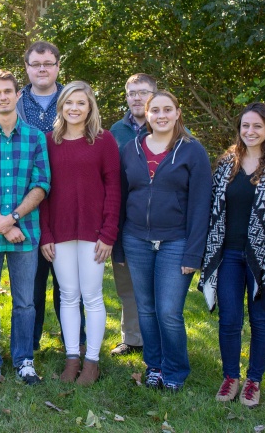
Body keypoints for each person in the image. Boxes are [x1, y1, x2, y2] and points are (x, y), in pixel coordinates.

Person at [200, 103, 265, 407]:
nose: (250, 131)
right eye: (245, 126)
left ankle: (253, 382)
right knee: (229, 319)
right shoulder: (226, 164)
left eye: (257, 126)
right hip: (228, 255)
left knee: (260, 320)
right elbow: (211, 211)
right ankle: (231, 377)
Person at [118, 90, 211, 392]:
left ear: (177, 113)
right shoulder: (130, 149)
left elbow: (200, 205)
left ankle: (175, 370)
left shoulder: (192, 151)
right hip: (136, 239)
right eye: (154, 110)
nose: (161, 115)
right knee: (145, 308)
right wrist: (119, 244)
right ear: (145, 114)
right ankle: (154, 365)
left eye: (167, 109)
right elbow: (120, 198)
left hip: (176, 241)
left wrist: (193, 254)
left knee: (169, 311)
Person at [0, 69, 50, 385]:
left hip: (25, 232)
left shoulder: (35, 138)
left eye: (8, 91)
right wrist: (2, 225)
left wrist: (12, 218)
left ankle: (23, 359)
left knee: (25, 301)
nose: (3, 96)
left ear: (18, 95)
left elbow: (41, 184)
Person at [40, 81, 120, 385]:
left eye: (81, 103)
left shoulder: (104, 141)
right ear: (61, 106)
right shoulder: (49, 141)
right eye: (69, 102)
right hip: (59, 233)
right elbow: (43, 191)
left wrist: (109, 233)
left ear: (90, 108)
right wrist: (45, 234)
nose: (75, 108)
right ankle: (72, 357)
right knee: (68, 296)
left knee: (92, 296)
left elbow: (113, 188)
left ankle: (92, 361)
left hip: (94, 232)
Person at [15, 40, 86, 352]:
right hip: (28, 201)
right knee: (32, 278)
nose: (41, 69)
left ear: (58, 66)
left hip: (67, 201)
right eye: (35, 64)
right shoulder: (16, 103)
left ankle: (77, 342)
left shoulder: (71, 100)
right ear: (27, 68)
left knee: (68, 280)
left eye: (47, 63)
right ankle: (30, 343)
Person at [108, 73, 157, 356]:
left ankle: (158, 338)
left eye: (143, 92)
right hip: (124, 218)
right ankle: (133, 338)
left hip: (161, 220)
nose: (136, 98)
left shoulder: (165, 126)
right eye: (131, 93)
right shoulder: (117, 131)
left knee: (158, 286)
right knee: (126, 284)